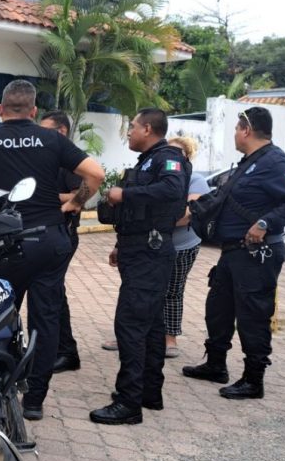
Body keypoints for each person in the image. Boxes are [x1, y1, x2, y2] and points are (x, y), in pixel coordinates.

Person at [0, 81, 105, 421]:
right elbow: (95, 173)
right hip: (49, 241)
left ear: (0, 111)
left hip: (6, 245)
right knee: (46, 320)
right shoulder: (51, 139)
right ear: (33, 112)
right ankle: (34, 400)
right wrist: (74, 202)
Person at [182, 107, 285, 399]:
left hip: (257, 254)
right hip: (232, 252)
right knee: (218, 310)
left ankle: (254, 380)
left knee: (253, 315)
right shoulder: (250, 162)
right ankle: (216, 364)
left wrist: (266, 223)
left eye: (236, 128)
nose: (234, 134)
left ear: (246, 130)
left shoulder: (276, 162)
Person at [89, 108, 189, 426]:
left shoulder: (167, 157)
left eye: (131, 127)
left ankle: (128, 403)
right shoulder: (148, 160)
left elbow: (172, 191)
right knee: (151, 324)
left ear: (147, 128)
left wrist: (124, 194)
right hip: (139, 248)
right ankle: (148, 392)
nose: (128, 132)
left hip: (150, 253)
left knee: (130, 325)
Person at [39, 110, 82, 373]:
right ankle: (58, 348)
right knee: (51, 293)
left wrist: (47, 199)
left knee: (53, 293)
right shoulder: (48, 156)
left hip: (62, 233)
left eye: (45, 131)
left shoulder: (70, 159)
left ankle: (66, 352)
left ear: (61, 131)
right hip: (44, 234)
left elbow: (81, 194)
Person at [163, 137, 211, 358]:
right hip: (153, 242)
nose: (170, 156)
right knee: (140, 288)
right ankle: (133, 333)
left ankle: (169, 338)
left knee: (172, 290)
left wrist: (152, 221)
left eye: (176, 152)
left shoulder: (195, 180)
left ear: (187, 156)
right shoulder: (157, 176)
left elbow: (188, 214)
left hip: (183, 245)